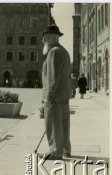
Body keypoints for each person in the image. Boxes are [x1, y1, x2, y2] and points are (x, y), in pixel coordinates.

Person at [41, 24, 71, 160]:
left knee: (53, 122)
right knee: (64, 122)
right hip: (63, 93)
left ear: (53, 38)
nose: (43, 41)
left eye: (45, 38)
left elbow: (53, 77)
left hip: (54, 94)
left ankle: (55, 151)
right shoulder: (64, 51)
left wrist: (48, 97)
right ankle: (65, 149)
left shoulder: (53, 52)